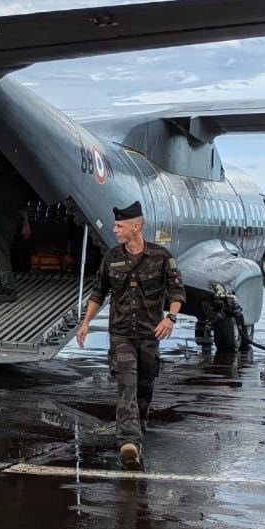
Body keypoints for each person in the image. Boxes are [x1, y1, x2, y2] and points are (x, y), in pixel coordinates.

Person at [75, 201, 185, 469]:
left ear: (136, 227)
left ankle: (138, 430)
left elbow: (177, 291)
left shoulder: (161, 257)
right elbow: (98, 292)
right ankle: (128, 442)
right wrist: (85, 323)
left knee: (145, 386)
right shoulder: (112, 258)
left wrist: (170, 318)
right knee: (127, 384)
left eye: (120, 226)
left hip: (149, 334)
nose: (114, 229)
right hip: (121, 333)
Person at [0, 160, 32, 300]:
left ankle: (9, 289)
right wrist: (26, 224)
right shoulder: (14, 184)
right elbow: (23, 206)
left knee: (2, 254)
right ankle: (0, 286)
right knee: (0, 253)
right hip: (12, 222)